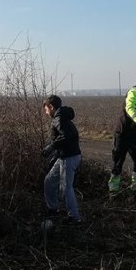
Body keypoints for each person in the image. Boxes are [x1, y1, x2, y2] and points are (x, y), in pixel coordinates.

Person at [42, 95, 82, 224]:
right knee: (49, 181)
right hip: (65, 156)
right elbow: (68, 137)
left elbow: (67, 137)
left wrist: (51, 147)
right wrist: (55, 155)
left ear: (51, 107)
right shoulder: (62, 117)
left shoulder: (59, 119)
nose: (46, 112)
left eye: (46, 109)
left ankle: (74, 218)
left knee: (66, 188)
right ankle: (53, 209)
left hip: (69, 157)